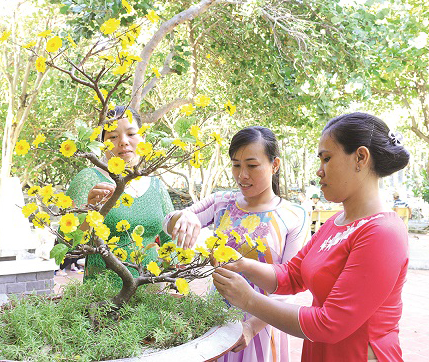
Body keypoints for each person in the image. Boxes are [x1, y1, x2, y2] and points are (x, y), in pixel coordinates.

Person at [212, 112, 410, 361]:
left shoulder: (383, 233)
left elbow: (330, 324)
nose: (319, 171)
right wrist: (240, 263)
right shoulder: (334, 224)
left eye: (327, 158)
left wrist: (249, 300)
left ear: (360, 157)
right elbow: (291, 276)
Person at [163, 126, 309, 362]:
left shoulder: (294, 216)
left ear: (275, 165)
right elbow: (169, 220)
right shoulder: (222, 202)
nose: (242, 175)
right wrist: (184, 217)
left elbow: (291, 285)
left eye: (252, 165)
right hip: (215, 319)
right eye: (236, 164)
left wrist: (251, 327)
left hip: (264, 324)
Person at [65, 106, 174, 286]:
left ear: (143, 138)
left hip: (152, 294)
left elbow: (170, 239)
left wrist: (167, 274)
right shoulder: (88, 179)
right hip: (104, 298)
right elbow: (67, 242)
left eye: (131, 134)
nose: (123, 142)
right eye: (113, 137)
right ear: (102, 143)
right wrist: (88, 210)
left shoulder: (156, 184)